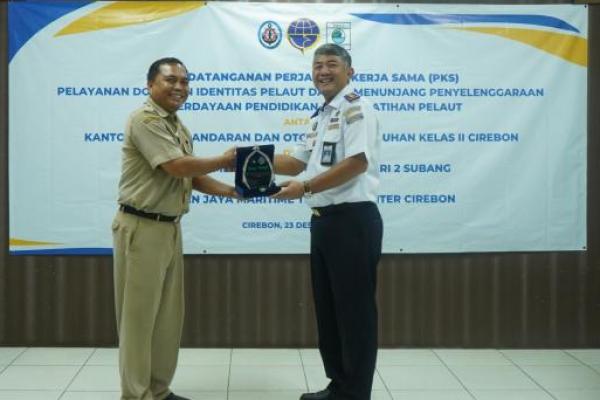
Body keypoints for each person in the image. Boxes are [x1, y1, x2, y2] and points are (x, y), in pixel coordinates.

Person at [112, 57, 236, 400]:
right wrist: (226, 160)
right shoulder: (145, 120)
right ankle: (136, 394)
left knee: (167, 317)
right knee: (138, 319)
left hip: (168, 227)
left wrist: (232, 191)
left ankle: (159, 389)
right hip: (141, 227)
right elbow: (176, 166)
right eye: (170, 80)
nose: (179, 87)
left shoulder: (176, 125)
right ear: (150, 84)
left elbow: (190, 175)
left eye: (184, 81)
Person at [272, 44, 383, 400]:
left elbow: (357, 163)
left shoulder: (357, 109)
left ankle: (356, 394)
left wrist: (304, 187)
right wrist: (247, 158)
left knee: (354, 313)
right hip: (324, 223)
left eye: (332, 64)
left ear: (350, 71)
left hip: (352, 222)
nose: (323, 71)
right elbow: (297, 162)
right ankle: (339, 386)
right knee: (330, 312)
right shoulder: (321, 116)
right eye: (317, 65)